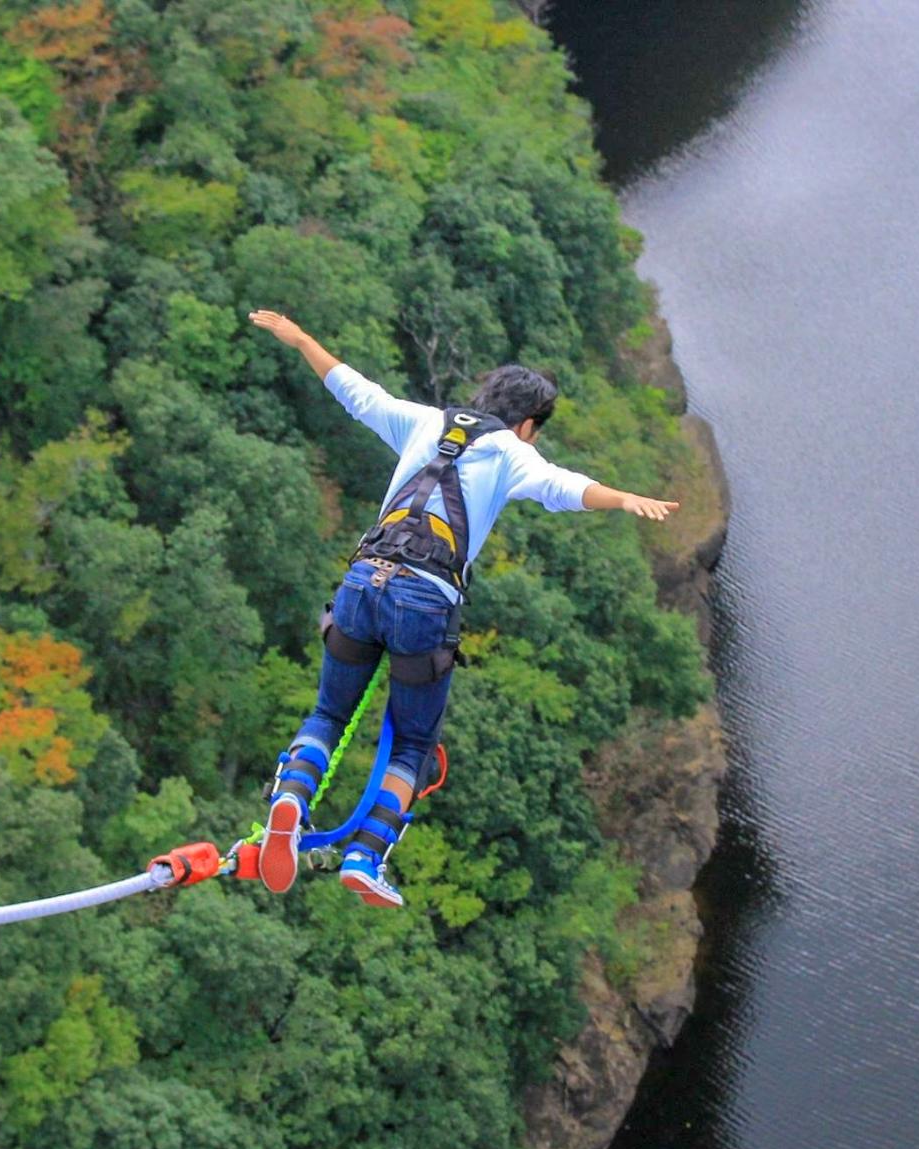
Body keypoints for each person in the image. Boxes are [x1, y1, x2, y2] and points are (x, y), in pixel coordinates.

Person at [247, 310, 680, 907]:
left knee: (328, 714)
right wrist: (624, 498)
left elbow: (353, 390)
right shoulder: (509, 451)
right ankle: (365, 855)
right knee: (413, 746)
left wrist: (299, 338)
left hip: (361, 580)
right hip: (424, 602)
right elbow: (562, 488)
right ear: (528, 424)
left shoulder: (424, 422)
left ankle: (290, 802)